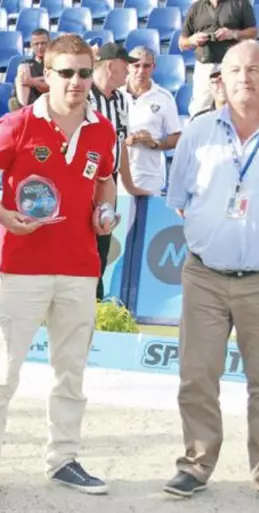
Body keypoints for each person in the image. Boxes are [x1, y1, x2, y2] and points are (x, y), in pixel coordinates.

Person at [0, 34, 118, 499]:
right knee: (2, 371)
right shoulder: (17, 123)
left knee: (70, 372)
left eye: (84, 73)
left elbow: (106, 181)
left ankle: (63, 458)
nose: (76, 82)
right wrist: (4, 216)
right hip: (21, 266)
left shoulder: (102, 131)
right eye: (65, 72)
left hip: (79, 266)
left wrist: (106, 212)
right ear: (45, 75)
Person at [164, 39, 259, 499]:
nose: (247, 77)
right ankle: (197, 464)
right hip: (203, 276)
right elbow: (180, 202)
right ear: (220, 78)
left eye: (256, 68)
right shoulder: (197, 132)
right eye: (237, 69)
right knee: (197, 375)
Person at [89, 42, 149, 301]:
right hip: (83, 181)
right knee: (78, 243)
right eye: (127, 66)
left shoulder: (122, 100)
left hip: (108, 182)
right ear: (112, 65)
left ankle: (95, 303)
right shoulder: (85, 96)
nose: (129, 72)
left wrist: (129, 183)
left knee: (102, 242)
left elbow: (120, 144)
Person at [180, 0, 256, 117]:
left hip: (233, 65)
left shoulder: (240, 4)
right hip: (205, 66)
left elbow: (253, 33)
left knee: (238, 105)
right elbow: (182, 42)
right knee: (200, 107)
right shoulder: (196, 7)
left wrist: (233, 34)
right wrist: (193, 40)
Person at [124, 46, 182, 195]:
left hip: (150, 177)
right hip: (119, 176)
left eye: (146, 66)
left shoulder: (164, 98)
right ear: (128, 66)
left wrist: (154, 143)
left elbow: (176, 137)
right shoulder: (116, 94)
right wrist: (123, 141)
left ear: (153, 67)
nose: (141, 71)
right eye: (136, 65)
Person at [10, 28, 50, 110]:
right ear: (31, 45)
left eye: (43, 43)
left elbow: (52, 87)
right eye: (36, 44)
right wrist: (42, 79)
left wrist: (32, 82)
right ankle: (23, 109)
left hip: (48, 101)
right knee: (22, 70)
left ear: (49, 43)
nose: (40, 47)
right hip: (30, 100)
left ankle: (24, 110)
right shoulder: (26, 64)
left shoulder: (55, 63)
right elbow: (23, 81)